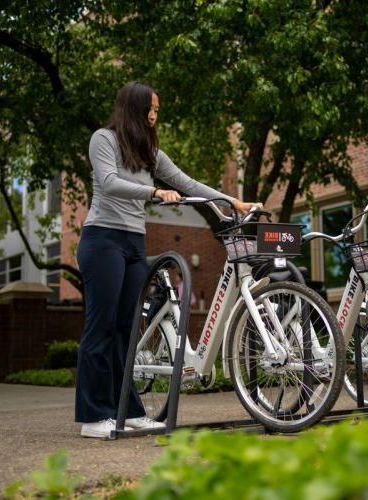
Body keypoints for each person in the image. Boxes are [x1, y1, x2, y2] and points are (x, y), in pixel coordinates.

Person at [75, 81, 260, 438]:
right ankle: (93, 415)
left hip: (133, 241)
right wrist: (154, 192)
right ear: (135, 109)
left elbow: (187, 182)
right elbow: (109, 182)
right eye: (151, 110)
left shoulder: (149, 153)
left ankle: (128, 411)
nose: (155, 116)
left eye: (157, 111)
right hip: (102, 239)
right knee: (101, 328)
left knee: (126, 331)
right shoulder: (104, 139)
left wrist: (229, 201)